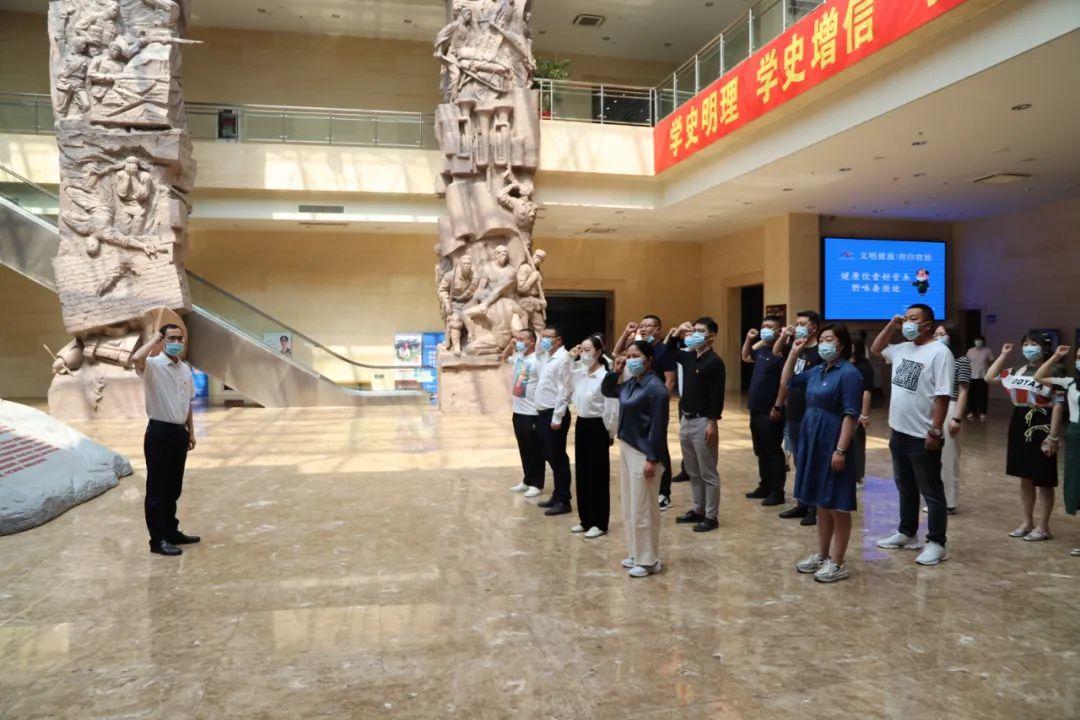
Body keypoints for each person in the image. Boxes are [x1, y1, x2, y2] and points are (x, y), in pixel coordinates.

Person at [871, 304, 954, 566]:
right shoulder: (902, 348)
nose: (907, 322)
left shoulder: (940, 352)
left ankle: (937, 543)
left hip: (923, 434)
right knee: (905, 485)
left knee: (931, 490)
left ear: (927, 325)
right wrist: (891, 325)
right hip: (899, 430)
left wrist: (935, 430)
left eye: (913, 319)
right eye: (906, 318)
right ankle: (907, 533)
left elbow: (942, 395)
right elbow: (876, 349)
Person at [782, 325, 863, 583]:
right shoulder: (817, 370)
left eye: (830, 339)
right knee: (821, 502)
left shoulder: (849, 374)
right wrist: (793, 354)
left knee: (837, 503)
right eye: (822, 340)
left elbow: (850, 414)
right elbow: (787, 381)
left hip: (833, 440)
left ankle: (838, 563)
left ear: (842, 344)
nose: (824, 344)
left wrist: (841, 449)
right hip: (812, 438)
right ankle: (822, 554)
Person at [985, 336, 1066, 541]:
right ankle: (1026, 522)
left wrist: (1053, 435)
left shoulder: (1055, 371)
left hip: (1043, 420)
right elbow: (989, 377)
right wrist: (1003, 355)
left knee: (1044, 478)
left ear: (1044, 348)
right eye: (1026, 345)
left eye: (1034, 344)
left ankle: (1043, 526)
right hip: (1020, 420)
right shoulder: (1016, 371)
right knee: (1025, 476)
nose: (1030, 348)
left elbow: (1058, 404)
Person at [129, 324, 200, 557]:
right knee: (157, 489)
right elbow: (135, 358)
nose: (177, 342)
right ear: (162, 340)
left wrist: (191, 432)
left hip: (179, 433)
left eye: (180, 338)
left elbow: (187, 403)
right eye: (171, 338)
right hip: (159, 433)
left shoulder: (185, 368)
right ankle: (157, 540)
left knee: (173, 487)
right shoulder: (152, 365)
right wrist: (153, 339)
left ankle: (171, 531)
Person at [601, 341, 669, 577]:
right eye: (628, 356)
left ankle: (649, 560)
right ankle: (636, 553)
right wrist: (616, 371)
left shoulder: (656, 388)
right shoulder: (631, 384)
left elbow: (658, 428)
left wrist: (652, 458)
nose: (630, 360)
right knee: (630, 505)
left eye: (635, 356)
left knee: (644, 508)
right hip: (628, 448)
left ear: (649, 360)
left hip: (645, 452)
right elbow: (607, 390)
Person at [667, 317, 726, 533]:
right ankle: (698, 509)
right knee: (693, 470)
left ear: (712, 336)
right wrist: (677, 333)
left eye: (700, 331)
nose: (695, 334)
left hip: (703, 421)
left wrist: (712, 422)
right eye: (694, 331)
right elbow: (668, 352)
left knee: (708, 472)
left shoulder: (714, 362)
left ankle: (711, 516)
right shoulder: (690, 357)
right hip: (686, 419)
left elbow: (717, 395)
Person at [614, 315, 677, 510]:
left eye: (649, 325)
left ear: (658, 329)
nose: (644, 328)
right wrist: (626, 332)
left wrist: (661, 404)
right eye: (642, 325)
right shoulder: (637, 347)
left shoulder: (663, 350)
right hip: (637, 400)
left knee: (659, 447)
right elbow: (616, 353)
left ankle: (664, 492)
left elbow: (670, 379)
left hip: (654, 402)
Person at [771, 310, 823, 525]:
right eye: (797, 323)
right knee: (799, 460)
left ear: (814, 327)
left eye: (803, 323)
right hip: (793, 412)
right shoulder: (797, 348)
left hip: (810, 413)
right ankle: (802, 502)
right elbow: (776, 351)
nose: (799, 326)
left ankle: (814, 506)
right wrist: (786, 336)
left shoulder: (820, 352)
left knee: (811, 460)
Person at [568, 335, 619, 538]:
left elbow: (612, 409)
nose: (583, 353)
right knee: (582, 473)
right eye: (582, 349)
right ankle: (585, 519)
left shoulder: (606, 377)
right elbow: (561, 378)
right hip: (582, 424)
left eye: (587, 350)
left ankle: (599, 522)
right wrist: (570, 357)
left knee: (598, 475)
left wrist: (609, 433)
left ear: (598, 352)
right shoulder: (579, 374)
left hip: (598, 427)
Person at [1034, 345, 1080, 556]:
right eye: (1078, 357)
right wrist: (1056, 357)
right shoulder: (1069, 382)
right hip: (1075, 436)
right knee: (1076, 483)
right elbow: (1039, 376)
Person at [741, 315, 787, 505]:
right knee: (760, 450)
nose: (765, 329)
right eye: (764, 326)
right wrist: (749, 339)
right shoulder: (761, 349)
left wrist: (778, 406)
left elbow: (785, 383)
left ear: (779, 330)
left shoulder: (782, 353)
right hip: (756, 407)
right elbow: (745, 356)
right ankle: (765, 485)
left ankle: (777, 491)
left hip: (771, 409)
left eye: (770, 326)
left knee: (773, 450)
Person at [533, 324, 574, 516]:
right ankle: (557, 495)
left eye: (548, 337)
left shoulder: (563, 359)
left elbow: (565, 390)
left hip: (554, 415)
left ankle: (564, 500)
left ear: (558, 340)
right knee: (549, 455)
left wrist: (557, 417)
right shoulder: (546, 357)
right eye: (542, 337)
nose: (543, 340)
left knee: (558, 458)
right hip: (543, 413)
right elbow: (537, 352)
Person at [503, 329, 545, 499]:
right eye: (517, 338)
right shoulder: (519, 357)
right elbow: (503, 358)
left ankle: (537, 483)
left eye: (522, 339)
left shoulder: (538, 361)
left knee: (535, 450)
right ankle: (527, 479)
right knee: (524, 448)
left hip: (532, 412)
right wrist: (511, 345)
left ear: (532, 342)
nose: (518, 341)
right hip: (518, 411)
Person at [933, 324, 970, 513]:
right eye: (935, 334)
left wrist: (957, 418)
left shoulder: (961, 360)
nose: (938, 337)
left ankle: (949, 501)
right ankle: (935, 498)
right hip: (933, 406)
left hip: (951, 406)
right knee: (933, 457)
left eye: (942, 334)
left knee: (949, 456)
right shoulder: (935, 357)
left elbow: (963, 391)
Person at [849, 337, 874, 485]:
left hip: (857, 408)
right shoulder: (842, 362)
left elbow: (867, 391)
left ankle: (857, 475)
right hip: (843, 407)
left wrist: (864, 414)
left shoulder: (864, 366)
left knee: (857, 442)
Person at [966, 335, 995, 420]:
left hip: (983, 376)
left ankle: (983, 412)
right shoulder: (970, 351)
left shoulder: (987, 350)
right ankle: (971, 411)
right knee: (971, 395)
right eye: (977, 340)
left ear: (983, 342)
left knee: (983, 395)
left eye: (980, 340)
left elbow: (991, 361)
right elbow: (966, 362)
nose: (978, 342)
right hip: (971, 376)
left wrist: (991, 372)